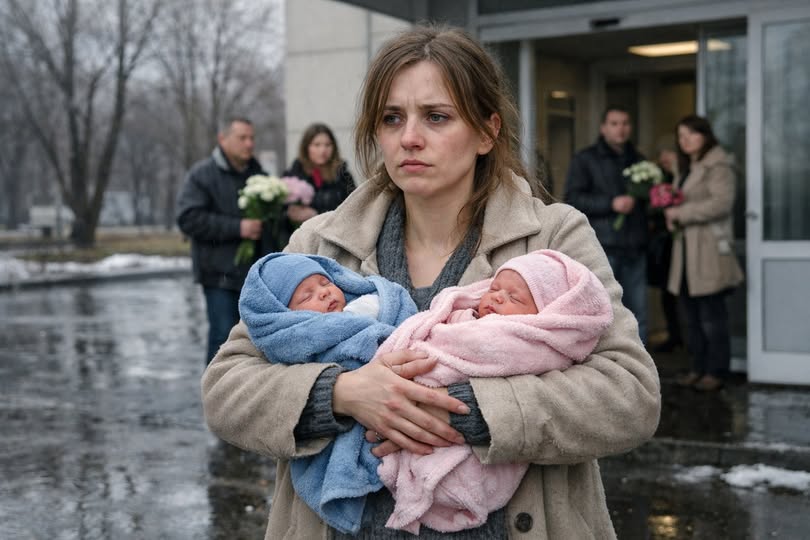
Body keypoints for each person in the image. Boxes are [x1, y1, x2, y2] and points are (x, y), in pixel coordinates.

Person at [202, 25, 660, 539]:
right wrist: (340, 394)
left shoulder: (552, 237)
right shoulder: (320, 244)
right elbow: (226, 388)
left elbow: (630, 394)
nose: (409, 138)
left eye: (436, 117)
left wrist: (471, 409)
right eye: (391, 118)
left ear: (487, 132)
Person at [176, 116, 279, 364]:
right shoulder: (202, 175)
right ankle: (216, 388)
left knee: (255, 344)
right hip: (218, 276)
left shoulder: (259, 176)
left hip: (254, 278)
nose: (249, 144)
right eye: (242, 138)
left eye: (252, 138)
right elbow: (188, 218)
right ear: (223, 139)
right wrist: (238, 228)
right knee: (222, 341)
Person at [666, 115, 743, 392]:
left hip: (708, 250)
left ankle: (716, 370)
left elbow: (722, 203)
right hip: (687, 251)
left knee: (712, 316)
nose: (685, 140)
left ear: (705, 135)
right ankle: (698, 368)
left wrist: (681, 213)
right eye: (681, 136)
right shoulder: (687, 165)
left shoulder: (718, 164)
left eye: (691, 134)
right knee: (692, 316)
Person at [564, 105, 649, 344]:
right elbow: (573, 199)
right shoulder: (585, 159)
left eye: (625, 123)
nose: (620, 129)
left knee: (639, 314)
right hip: (603, 248)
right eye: (614, 123)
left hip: (635, 248)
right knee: (604, 314)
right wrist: (611, 203)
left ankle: (640, 365)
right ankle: (610, 364)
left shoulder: (639, 159)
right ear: (603, 128)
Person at [648, 145, 683, 352]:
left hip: (678, 242)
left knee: (681, 292)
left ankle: (682, 336)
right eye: (662, 154)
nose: (664, 158)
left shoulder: (682, 176)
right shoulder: (657, 179)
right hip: (663, 244)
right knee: (667, 292)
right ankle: (674, 334)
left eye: (668, 153)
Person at [284, 123, 356, 224]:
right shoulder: (294, 175)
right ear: (306, 147)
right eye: (316, 145)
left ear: (334, 147)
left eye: (327, 145)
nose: (322, 150)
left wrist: (316, 215)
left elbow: (354, 208)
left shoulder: (343, 175)